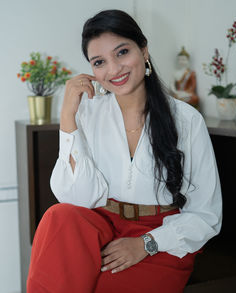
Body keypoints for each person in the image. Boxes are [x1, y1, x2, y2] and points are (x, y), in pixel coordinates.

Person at [26, 9, 222, 293]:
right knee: (59, 216)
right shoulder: (88, 114)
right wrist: (68, 116)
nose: (114, 69)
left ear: (144, 50)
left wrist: (147, 243)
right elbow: (76, 198)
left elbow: (206, 214)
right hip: (101, 227)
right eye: (99, 62)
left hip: (163, 239)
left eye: (122, 52)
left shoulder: (186, 120)